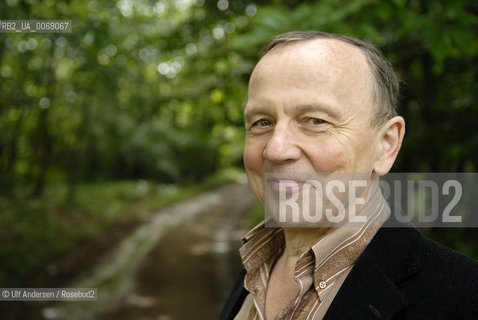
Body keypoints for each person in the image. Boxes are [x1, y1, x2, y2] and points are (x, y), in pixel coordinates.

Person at [219, 31, 478, 320]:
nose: (276, 150)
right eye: (262, 122)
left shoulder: (464, 299)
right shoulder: (256, 266)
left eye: (315, 121)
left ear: (386, 144)